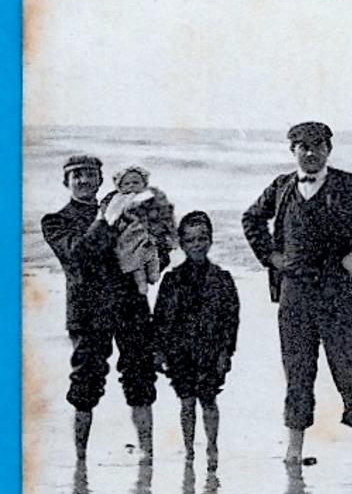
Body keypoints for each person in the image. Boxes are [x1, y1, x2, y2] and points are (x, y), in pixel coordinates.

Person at [242, 122, 352, 464]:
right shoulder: (281, 187)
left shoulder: (351, 184)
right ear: (292, 150)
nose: (310, 152)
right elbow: (251, 218)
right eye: (302, 146)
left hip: (338, 291)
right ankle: (294, 449)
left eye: (317, 145)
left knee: (348, 368)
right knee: (297, 370)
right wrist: (271, 257)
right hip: (294, 293)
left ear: (329, 149)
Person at [40, 154, 158, 461]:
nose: (83, 180)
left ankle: (147, 452)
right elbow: (78, 255)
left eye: (89, 174)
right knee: (85, 383)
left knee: (140, 378)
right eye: (76, 175)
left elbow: (154, 244)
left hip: (129, 305)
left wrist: (148, 256)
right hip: (88, 313)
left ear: (100, 179)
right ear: (65, 182)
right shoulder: (55, 221)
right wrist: (105, 219)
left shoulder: (125, 207)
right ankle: (80, 460)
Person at [152, 211, 240, 468]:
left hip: (211, 350)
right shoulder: (171, 279)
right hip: (180, 350)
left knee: (209, 400)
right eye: (190, 240)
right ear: (181, 243)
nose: (197, 244)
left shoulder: (222, 279)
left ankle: (212, 447)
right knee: (186, 401)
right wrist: (158, 351)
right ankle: (189, 450)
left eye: (202, 238)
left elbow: (231, 321)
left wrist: (227, 352)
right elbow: (160, 319)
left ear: (211, 240)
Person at [101, 165, 176, 296]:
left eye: (136, 182)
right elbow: (111, 219)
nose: (131, 186)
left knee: (152, 255)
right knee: (135, 262)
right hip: (129, 238)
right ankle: (141, 283)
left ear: (144, 183)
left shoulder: (150, 196)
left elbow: (164, 217)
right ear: (120, 186)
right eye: (126, 183)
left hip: (147, 236)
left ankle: (153, 274)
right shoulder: (117, 200)